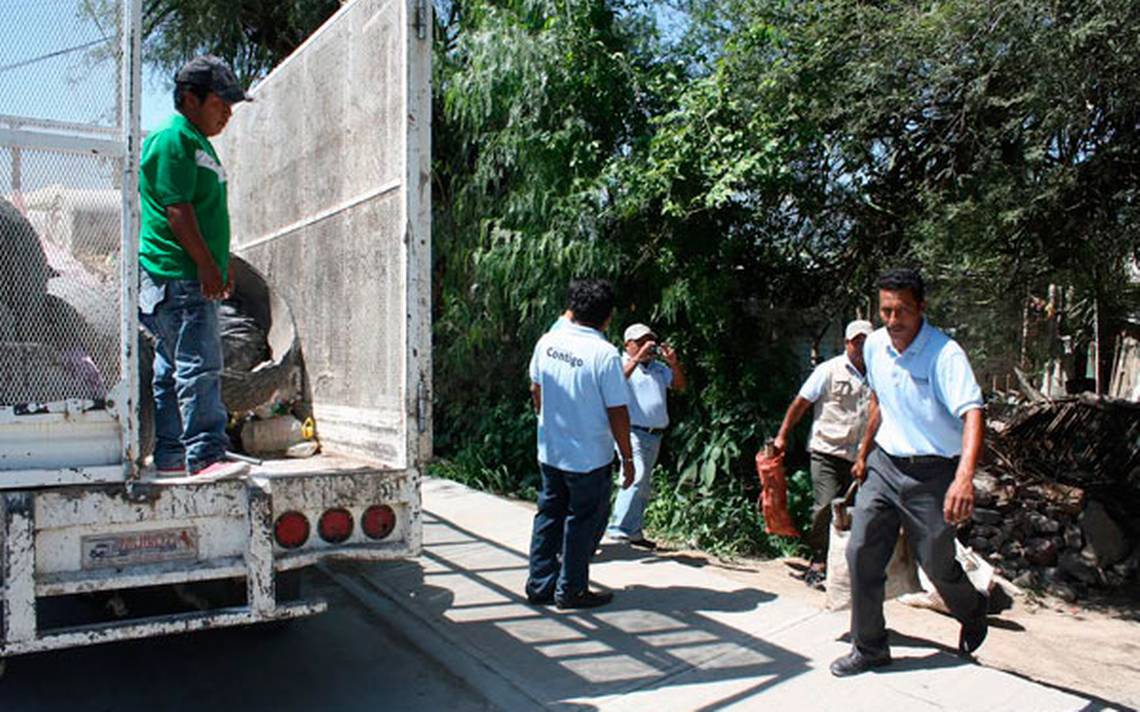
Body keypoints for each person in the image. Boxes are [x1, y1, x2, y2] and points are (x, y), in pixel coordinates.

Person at [831, 268, 988, 677]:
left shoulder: (945, 354)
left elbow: (973, 413)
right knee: (861, 551)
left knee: (937, 564)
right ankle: (869, 647)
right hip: (885, 465)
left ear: (921, 307)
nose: (893, 320)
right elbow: (881, 401)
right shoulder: (876, 347)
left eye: (902, 311)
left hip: (933, 474)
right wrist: (865, 453)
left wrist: (964, 477)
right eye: (886, 310)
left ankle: (972, 610)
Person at [137, 55, 252, 480]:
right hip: (178, 274)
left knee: (172, 368)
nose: (227, 112)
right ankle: (205, 455)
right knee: (199, 364)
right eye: (220, 102)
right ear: (190, 98)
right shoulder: (173, 138)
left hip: (185, 274)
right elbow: (177, 210)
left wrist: (219, 264)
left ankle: (171, 454)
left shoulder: (195, 140)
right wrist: (206, 267)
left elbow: (201, 213)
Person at [526, 279, 635, 609]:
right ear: (608, 317)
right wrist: (628, 459)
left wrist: (548, 422)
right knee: (581, 522)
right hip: (588, 458)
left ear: (571, 310)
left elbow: (536, 389)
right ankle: (571, 590)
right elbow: (618, 412)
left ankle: (540, 583)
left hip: (551, 452)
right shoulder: (604, 355)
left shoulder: (548, 342)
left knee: (548, 515)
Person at [773, 319, 873, 584]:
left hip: (861, 456)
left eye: (866, 342)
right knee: (826, 506)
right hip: (827, 449)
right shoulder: (829, 370)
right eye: (856, 341)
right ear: (847, 343)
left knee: (856, 511)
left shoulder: (879, 374)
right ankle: (818, 558)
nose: (861, 347)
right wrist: (783, 434)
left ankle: (845, 564)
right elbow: (801, 402)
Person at [604, 323, 686, 549]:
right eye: (640, 342)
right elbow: (615, 383)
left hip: (654, 434)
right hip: (630, 431)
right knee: (635, 475)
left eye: (650, 342)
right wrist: (637, 358)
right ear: (627, 344)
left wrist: (673, 363)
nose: (647, 347)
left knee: (643, 483)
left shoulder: (659, 368)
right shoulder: (620, 363)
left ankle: (634, 531)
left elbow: (679, 385)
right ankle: (618, 528)